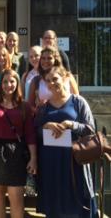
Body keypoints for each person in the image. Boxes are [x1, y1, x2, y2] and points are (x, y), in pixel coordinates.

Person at [35, 65, 98, 218]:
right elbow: (35, 132)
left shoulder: (78, 102)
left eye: (55, 79)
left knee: (77, 207)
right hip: (51, 163)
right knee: (55, 207)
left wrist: (72, 125)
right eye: (48, 81)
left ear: (65, 78)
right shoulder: (43, 107)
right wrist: (45, 125)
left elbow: (91, 130)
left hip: (74, 163)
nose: (51, 83)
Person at [0, 69, 37, 218]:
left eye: (12, 81)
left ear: (17, 83)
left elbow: (30, 134)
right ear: (0, 85)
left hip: (16, 153)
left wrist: (33, 158)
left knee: (16, 195)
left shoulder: (25, 106)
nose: (8, 85)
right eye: (5, 81)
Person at [28, 46, 79, 112]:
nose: (46, 61)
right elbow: (30, 106)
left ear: (56, 60)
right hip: (45, 119)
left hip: (67, 118)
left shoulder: (68, 77)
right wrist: (39, 108)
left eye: (49, 58)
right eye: (43, 58)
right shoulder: (36, 80)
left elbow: (77, 101)